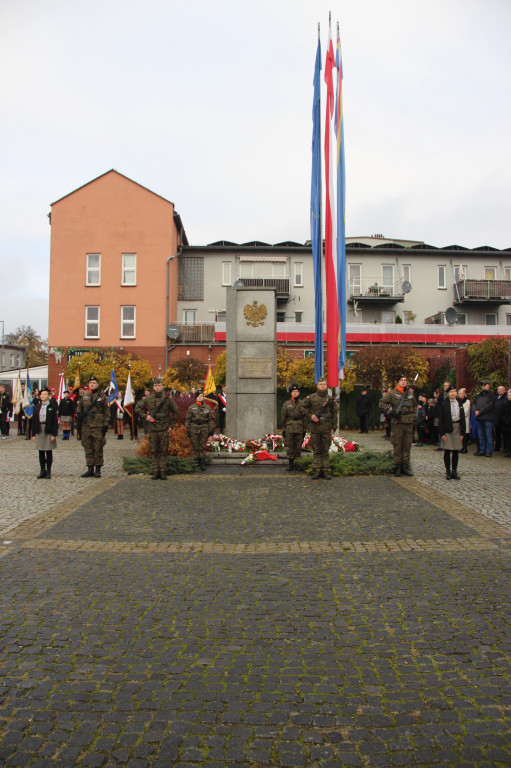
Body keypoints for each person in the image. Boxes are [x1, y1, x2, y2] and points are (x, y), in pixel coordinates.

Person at [135, 379, 178, 479]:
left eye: (159, 385)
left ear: (162, 387)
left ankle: (162, 471)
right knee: (154, 451)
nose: (157, 387)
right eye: (155, 385)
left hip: (164, 429)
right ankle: (155, 471)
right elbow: (137, 408)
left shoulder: (167, 399)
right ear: (153, 387)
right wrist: (146, 417)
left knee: (163, 451)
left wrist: (171, 426)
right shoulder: (149, 398)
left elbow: (175, 411)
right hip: (153, 429)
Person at [379, 374, 417, 477]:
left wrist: (413, 417)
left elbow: (415, 406)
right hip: (398, 423)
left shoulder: (410, 393)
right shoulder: (392, 393)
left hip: (408, 423)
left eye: (405, 380)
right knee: (397, 444)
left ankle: (405, 466)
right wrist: (391, 412)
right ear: (397, 382)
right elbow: (382, 403)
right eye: (401, 380)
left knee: (407, 444)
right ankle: (398, 467)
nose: (404, 382)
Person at [301, 378, 339, 480]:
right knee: (316, 449)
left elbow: (335, 413)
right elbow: (302, 407)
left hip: (327, 427)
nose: (322, 386)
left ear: (326, 386)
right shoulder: (311, 397)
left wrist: (334, 427)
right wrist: (311, 416)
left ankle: (325, 470)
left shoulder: (330, 399)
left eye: (324, 384)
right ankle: (317, 470)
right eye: (320, 384)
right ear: (317, 386)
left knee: (325, 449)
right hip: (315, 427)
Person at [76, 376, 110, 477]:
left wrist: (105, 424)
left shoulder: (103, 396)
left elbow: (106, 411)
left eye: (94, 383)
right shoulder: (84, 396)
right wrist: (79, 415)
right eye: (90, 383)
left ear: (97, 384)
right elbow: (79, 408)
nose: (92, 384)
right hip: (86, 426)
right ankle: (90, 468)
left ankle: (98, 469)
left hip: (98, 426)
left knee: (98, 447)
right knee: (88, 447)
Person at [438, 385, 466, 480]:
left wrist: (463, 433)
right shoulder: (444, 403)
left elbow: (463, 418)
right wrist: (442, 433)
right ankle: (448, 471)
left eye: (454, 391)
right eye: (451, 392)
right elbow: (440, 419)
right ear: (448, 393)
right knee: (447, 450)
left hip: (457, 427)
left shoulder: (459, 402)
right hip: (447, 428)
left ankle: (454, 470)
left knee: (455, 451)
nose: (453, 393)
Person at [31, 386, 58, 478]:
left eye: (45, 394)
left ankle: (48, 471)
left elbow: (55, 421)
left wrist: (54, 434)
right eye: (41, 394)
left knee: (48, 451)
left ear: (48, 396)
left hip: (48, 429)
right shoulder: (37, 406)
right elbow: (34, 420)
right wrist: (33, 434)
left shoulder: (52, 406)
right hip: (39, 428)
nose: (43, 396)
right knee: (41, 451)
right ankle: (42, 470)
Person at [186, 390, 215, 471]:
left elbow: (210, 419)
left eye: (201, 396)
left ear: (203, 397)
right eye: (198, 396)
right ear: (196, 397)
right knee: (195, 446)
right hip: (194, 428)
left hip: (204, 428)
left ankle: (202, 462)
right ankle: (196, 462)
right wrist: (188, 429)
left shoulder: (207, 407)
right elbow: (188, 419)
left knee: (202, 446)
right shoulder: (192, 407)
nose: (200, 397)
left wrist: (211, 429)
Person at [281, 384, 306, 472]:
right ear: (291, 393)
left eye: (296, 392)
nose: (295, 393)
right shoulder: (287, 404)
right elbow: (283, 417)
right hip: (290, 427)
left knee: (298, 446)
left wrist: (304, 429)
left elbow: (305, 417)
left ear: (299, 393)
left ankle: (298, 464)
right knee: (290, 446)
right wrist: (284, 429)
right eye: (293, 392)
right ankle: (290, 464)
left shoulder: (303, 403)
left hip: (299, 427)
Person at [473, 379, 496, 457]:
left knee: (488, 435)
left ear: (488, 385)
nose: (483, 386)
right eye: (482, 385)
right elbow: (474, 404)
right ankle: (482, 450)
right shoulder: (479, 395)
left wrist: (480, 412)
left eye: (484, 384)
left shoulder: (492, 395)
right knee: (481, 435)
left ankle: (489, 451)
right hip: (479, 418)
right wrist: (475, 411)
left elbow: (490, 406)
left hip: (488, 419)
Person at [457, 387, 471, 453]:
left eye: (460, 393)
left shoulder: (467, 401)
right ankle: (461, 447)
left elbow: (466, 412)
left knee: (465, 434)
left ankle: (465, 448)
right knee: (460, 434)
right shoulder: (458, 401)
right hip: (459, 420)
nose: (459, 395)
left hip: (465, 419)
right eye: (458, 393)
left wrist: (459, 414)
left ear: (463, 394)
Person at [494, 385, 507, 452]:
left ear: (504, 390)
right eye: (499, 389)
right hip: (497, 419)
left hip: (503, 420)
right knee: (497, 434)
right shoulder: (496, 398)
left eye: (501, 389)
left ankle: (505, 447)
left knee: (504, 435)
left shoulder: (506, 398)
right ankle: (497, 446)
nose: (500, 390)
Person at [499, 388, 511, 457]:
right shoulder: (504, 403)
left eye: (510, 395)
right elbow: (502, 413)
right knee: (507, 439)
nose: (509, 397)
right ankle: (508, 451)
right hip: (505, 424)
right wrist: (505, 420)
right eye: (509, 395)